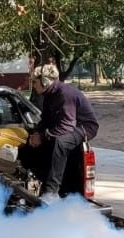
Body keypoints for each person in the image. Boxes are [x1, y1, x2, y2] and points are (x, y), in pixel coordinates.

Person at [22, 63, 99, 197]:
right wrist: (36, 134)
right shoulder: (49, 95)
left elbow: (66, 126)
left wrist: (42, 136)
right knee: (33, 138)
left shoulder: (64, 94)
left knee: (61, 142)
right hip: (68, 125)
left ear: (45, 81)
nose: (33, 85)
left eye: (35, 82)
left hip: (84, 127)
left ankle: (51, 191)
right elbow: (45, 120)